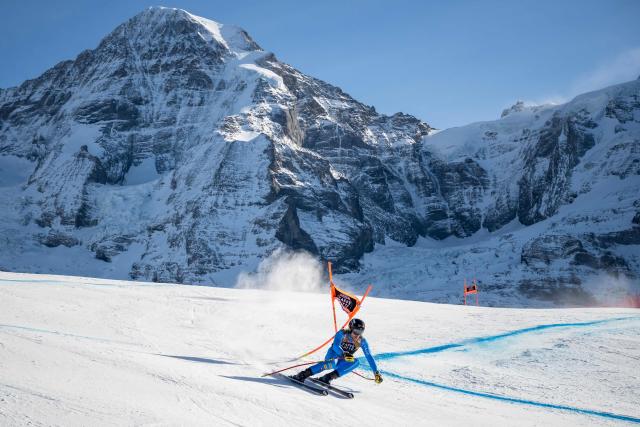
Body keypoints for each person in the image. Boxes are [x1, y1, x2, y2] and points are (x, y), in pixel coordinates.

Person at [291, 318, 383, 385]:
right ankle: (302, 375)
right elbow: (335, 346)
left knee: (356, 362)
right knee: (333, 363)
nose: (357, 335)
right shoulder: (342, 333)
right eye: (356, 331)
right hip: (334, 354)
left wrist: (376, 372)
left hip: (344, 359)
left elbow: (369, 356)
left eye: (360, 332)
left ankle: (327, 377)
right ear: (351, 329)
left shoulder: (362, 341)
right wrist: (343, 353)